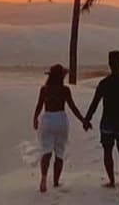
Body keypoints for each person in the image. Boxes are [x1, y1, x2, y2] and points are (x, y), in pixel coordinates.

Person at [83, 50, 119, 194]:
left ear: (109, 64)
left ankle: (111, 180)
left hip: (107, 122)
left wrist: (87, 119)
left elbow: (94, 103)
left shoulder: (104, 83)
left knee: (107, 151)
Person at [32, 63, 87, 193]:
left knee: (46, 151)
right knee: (59, 153)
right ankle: (56, 181)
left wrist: (35, 118)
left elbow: (39, 105)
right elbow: (73, 107)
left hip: (48, 119)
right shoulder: (65, 90)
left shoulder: (44, 89)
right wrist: (83, 120)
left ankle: (44, 178)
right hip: (61, 120)